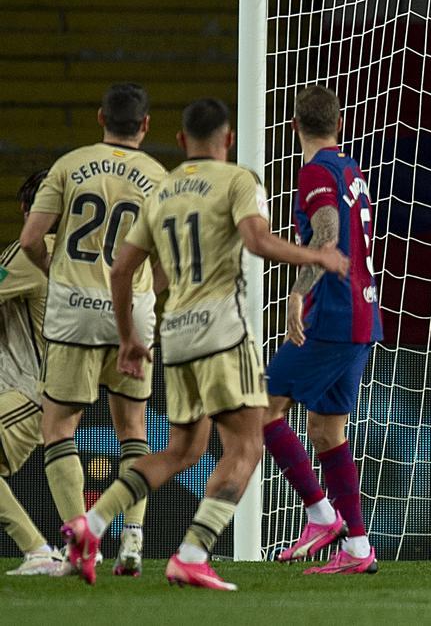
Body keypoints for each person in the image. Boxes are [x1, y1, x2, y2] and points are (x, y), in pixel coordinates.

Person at [61, 98, 349, 589]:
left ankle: (90, 524)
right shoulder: (238, 180)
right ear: (229, 139)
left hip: (174, 335)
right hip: (221, 333)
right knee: (248, 442)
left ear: (179, 141)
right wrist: (315, 256)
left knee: (182, 451)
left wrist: (129, 337)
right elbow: (257, 242)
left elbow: (123, 269)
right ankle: (192, 552)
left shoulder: (163, 190)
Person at [18, 83, 166, 576]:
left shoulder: (69, 165)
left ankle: (83, 543)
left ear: (100, 117)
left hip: (75, 313)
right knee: (134, 431)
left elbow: (31, 239)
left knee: (59, 429)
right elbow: (174, 261)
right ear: (145, 125)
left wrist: (54, 274)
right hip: (134, 314)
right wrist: (149, 292)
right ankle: (133, 539)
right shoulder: (159, 178)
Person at [261, 85, 382, 574]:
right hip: (363, 313)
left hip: (332, 315)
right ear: (339, 124)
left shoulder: (315, 171)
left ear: (293, 126)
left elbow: (328, 233)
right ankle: (357, 546)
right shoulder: (351, 169)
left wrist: (296, 292)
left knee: (260, 406)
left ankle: (320, 513)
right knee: (326, 429)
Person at [0, 170, 65, 575]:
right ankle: (42, 550)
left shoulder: (28, 253)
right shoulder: (81, 258)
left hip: (28, 391)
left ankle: (39, 550)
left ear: (29, 212)